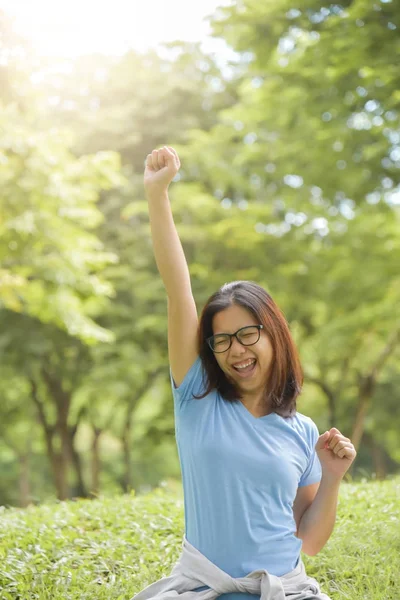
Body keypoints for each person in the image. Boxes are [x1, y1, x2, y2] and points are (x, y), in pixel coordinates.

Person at [133, 145, 357, 600]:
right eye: (221, 339)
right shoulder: (196, 396)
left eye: (247, 333)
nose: (235, 349)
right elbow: (179, 292)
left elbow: (309, 539)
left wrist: (332, 475)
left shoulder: (302, 430)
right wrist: (158, 196)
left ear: (273, 333)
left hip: (284, 590)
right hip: (203, 588)